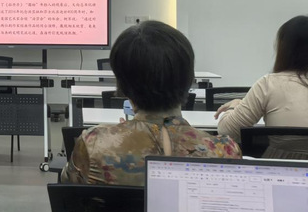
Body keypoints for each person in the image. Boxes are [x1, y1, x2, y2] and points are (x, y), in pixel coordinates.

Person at [62, 20, 240, 186]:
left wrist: (122, 134)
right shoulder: (224, 152)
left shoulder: (94, 144)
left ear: (123, 84)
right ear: (189, 79)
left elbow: (68, 192)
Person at [216, 15, 308, 158]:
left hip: (278, 166)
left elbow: (227, 131)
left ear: (284, 49)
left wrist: (235, 105)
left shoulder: (268, 84)